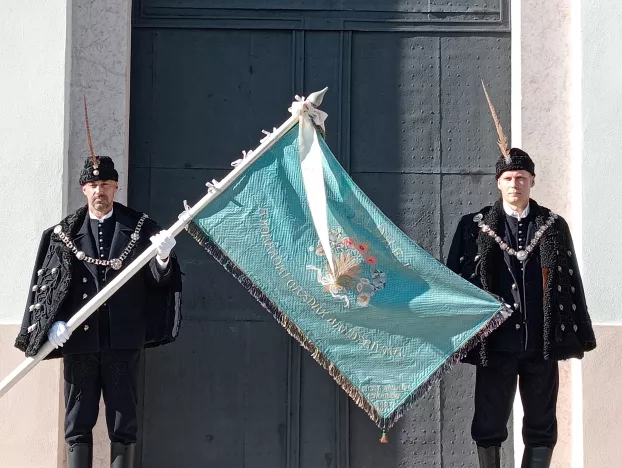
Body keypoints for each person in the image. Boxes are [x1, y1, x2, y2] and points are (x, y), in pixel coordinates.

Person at [15, 113, 183, 468]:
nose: (100, 191)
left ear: (116, 187)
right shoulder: (62, 235)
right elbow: (50, 286)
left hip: (123, 341)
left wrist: (163, 257)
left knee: (124, 423)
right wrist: (54, 324)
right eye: (93, 185)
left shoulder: (139, 227)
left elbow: (157, 281)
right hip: (80, 342)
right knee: (78, 423)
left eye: (106, 184)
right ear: (83, 190)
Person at [446, 84, 596, 468]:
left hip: (540, 342)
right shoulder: (474, 226)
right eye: (509, 178)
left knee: (542, 421)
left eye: (522, 177)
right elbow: (454, 280)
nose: (516, 184)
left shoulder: (553, 224)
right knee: (490, 420)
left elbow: (571, 280)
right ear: (498, 183)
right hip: (495, 345)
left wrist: (573, 330)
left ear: (533, 181)